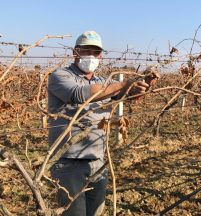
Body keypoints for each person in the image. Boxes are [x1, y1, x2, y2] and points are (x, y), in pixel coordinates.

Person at [48, 31, 151, 215]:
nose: (91, 56)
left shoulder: (103, 81)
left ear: (100, 56)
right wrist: (123, 84)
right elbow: (80, 94)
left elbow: (125, 96)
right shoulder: (60, 76)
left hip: (97, 160)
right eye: (86, 50)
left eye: (95, 52)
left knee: (96, 211)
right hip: (69, 162)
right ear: (75, 52)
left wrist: (142, 86)